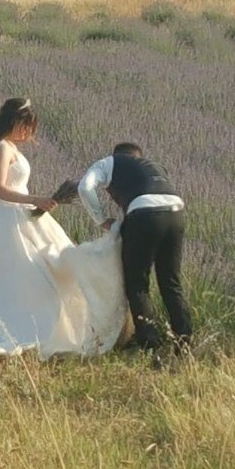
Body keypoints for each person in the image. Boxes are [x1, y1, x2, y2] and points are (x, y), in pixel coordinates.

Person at [0, 98, 128, 360]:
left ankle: (54, 327)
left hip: (21, 217)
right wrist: (34, 200)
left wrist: (35, 204)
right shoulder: (2, 149)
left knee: (49, 270)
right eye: (26, 126)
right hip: (6, 220)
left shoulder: (10, 148)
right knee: (21, 277)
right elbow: (0, 189)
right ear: (14, 122)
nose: (28, 133)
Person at [78, 142, 192, 353]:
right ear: (140, 156)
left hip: (144, 215)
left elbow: (84, 187)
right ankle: (184, 344)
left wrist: (102, 220)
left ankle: (150, 345)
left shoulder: (109, 162)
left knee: (137, 284)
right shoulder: (155, 166)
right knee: (171, 282)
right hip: (176, 212)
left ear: (118, 155)